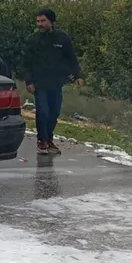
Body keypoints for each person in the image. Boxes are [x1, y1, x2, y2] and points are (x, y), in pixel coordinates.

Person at [23, 8, 84, 155]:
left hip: (56, 83)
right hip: (39, 84)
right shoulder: (33, 40)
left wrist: (78, 76)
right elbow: (26, 63)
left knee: (54, 113)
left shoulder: (62, 38)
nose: (40, 24)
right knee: (43, 112)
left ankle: (49, 139)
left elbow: (71, 58)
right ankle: (42, 141)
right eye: (38, 21)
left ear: (51, 21)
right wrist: (28, 81)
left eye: (43, 21)